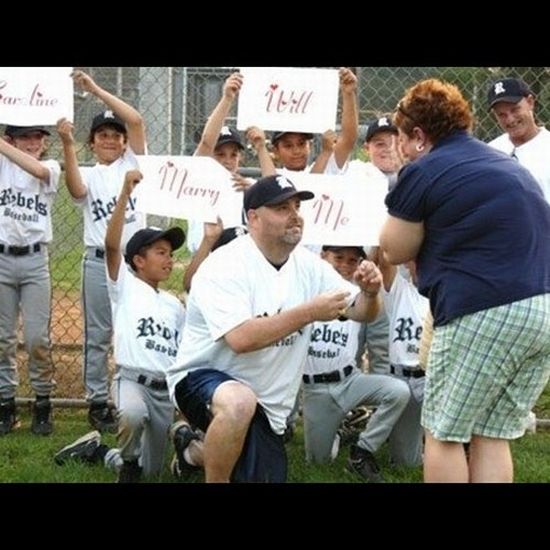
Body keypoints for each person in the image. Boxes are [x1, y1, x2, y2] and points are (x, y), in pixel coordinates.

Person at [380, 78, 550, 483]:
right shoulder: (502, 161)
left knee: (443, 432)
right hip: (542, 307)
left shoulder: (424, 169)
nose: (401, 147)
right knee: (491, 432)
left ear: (419, 136)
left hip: (482, 308)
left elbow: (393, 249)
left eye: (402, 138)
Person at [166, 174, 383, 483]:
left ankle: (191, 453)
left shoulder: (307, 266)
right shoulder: (225, 264)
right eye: (282, 208)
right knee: (239, 403)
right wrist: (309, 312)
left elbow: (361, 312)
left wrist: (370, 293)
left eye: (296, 205)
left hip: (269, 403)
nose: (294, 214)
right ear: (253, 217)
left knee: (255, 468)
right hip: (203, 377)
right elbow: (241, 338)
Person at [57, 70, 147, 433]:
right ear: (92, 143)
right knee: (98, 334)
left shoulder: (135, 164)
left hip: (135, 262)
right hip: (98, 261)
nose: (109, 140)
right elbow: (76, 189)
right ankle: (97, 401)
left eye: (115, 135)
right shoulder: (91, 173)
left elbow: (137, 120)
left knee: (132, 327)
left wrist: (94, 89)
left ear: (124, 143)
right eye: (102, 135)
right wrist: (66, 143)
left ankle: (130, 393)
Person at [302, 245, 410, 482]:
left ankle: (362, 451)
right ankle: (338, 431)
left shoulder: (357, 293)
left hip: (349, 380)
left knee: (399, 391)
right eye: (338, 257)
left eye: (352, 260)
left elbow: (370, 311)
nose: (344, 265)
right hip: (316, 389)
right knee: (318, 462)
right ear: (322, 257)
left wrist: (370, 288)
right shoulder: (306, 291)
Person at [103, 169, 185, 482]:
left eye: (170, 254)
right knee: (132, 415)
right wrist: (125, 192)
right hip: (132, 382)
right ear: (138, 260)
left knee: (152, 473)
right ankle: (127, 461)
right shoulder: (123, 286)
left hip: (164, 390)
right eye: (161, 253)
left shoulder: (174, 304)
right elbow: (111, 246)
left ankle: (102, 452)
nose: (169, 260)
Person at [0, 125, 60, 436]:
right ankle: (6, 404)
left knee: (38, 338)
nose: (34, 142)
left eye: (38, 136)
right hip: (1, 260)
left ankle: (42, 402)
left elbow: (36, 168)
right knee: (2, 339)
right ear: (10, 139)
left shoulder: (50, 167)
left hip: (36, 261)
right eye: (25, 136)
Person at [378, 254, 429, 467]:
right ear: (407, 263)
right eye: (416, 260)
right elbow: (385, 259)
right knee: (405, 463)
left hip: (431, 378)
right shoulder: (400, 290)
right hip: (401, 378)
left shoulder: (446, 293)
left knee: (446, 436)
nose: (420, 265)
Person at [487, 77, 550, 202]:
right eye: (501, 114)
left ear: (530, 102)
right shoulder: (490, 151)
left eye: (515, 109)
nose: (510, 119)